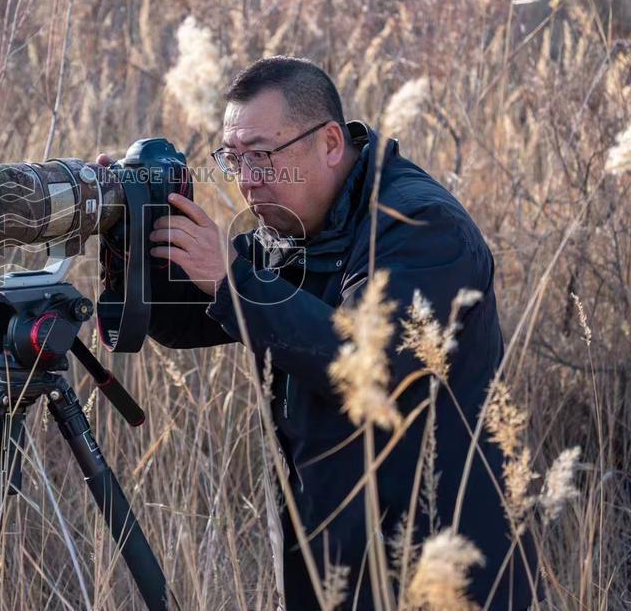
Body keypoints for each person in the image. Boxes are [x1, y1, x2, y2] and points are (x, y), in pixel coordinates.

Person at [99, 56, 536, 610]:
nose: (246, 179)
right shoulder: (297, 222)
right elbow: (187, 319)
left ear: (330, 142)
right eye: (232, 159)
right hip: (337, 565)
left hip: (441, 571)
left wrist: (234, 282)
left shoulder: (422, 228)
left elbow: (365, 365)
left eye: (261, 156)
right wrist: (129, 236)